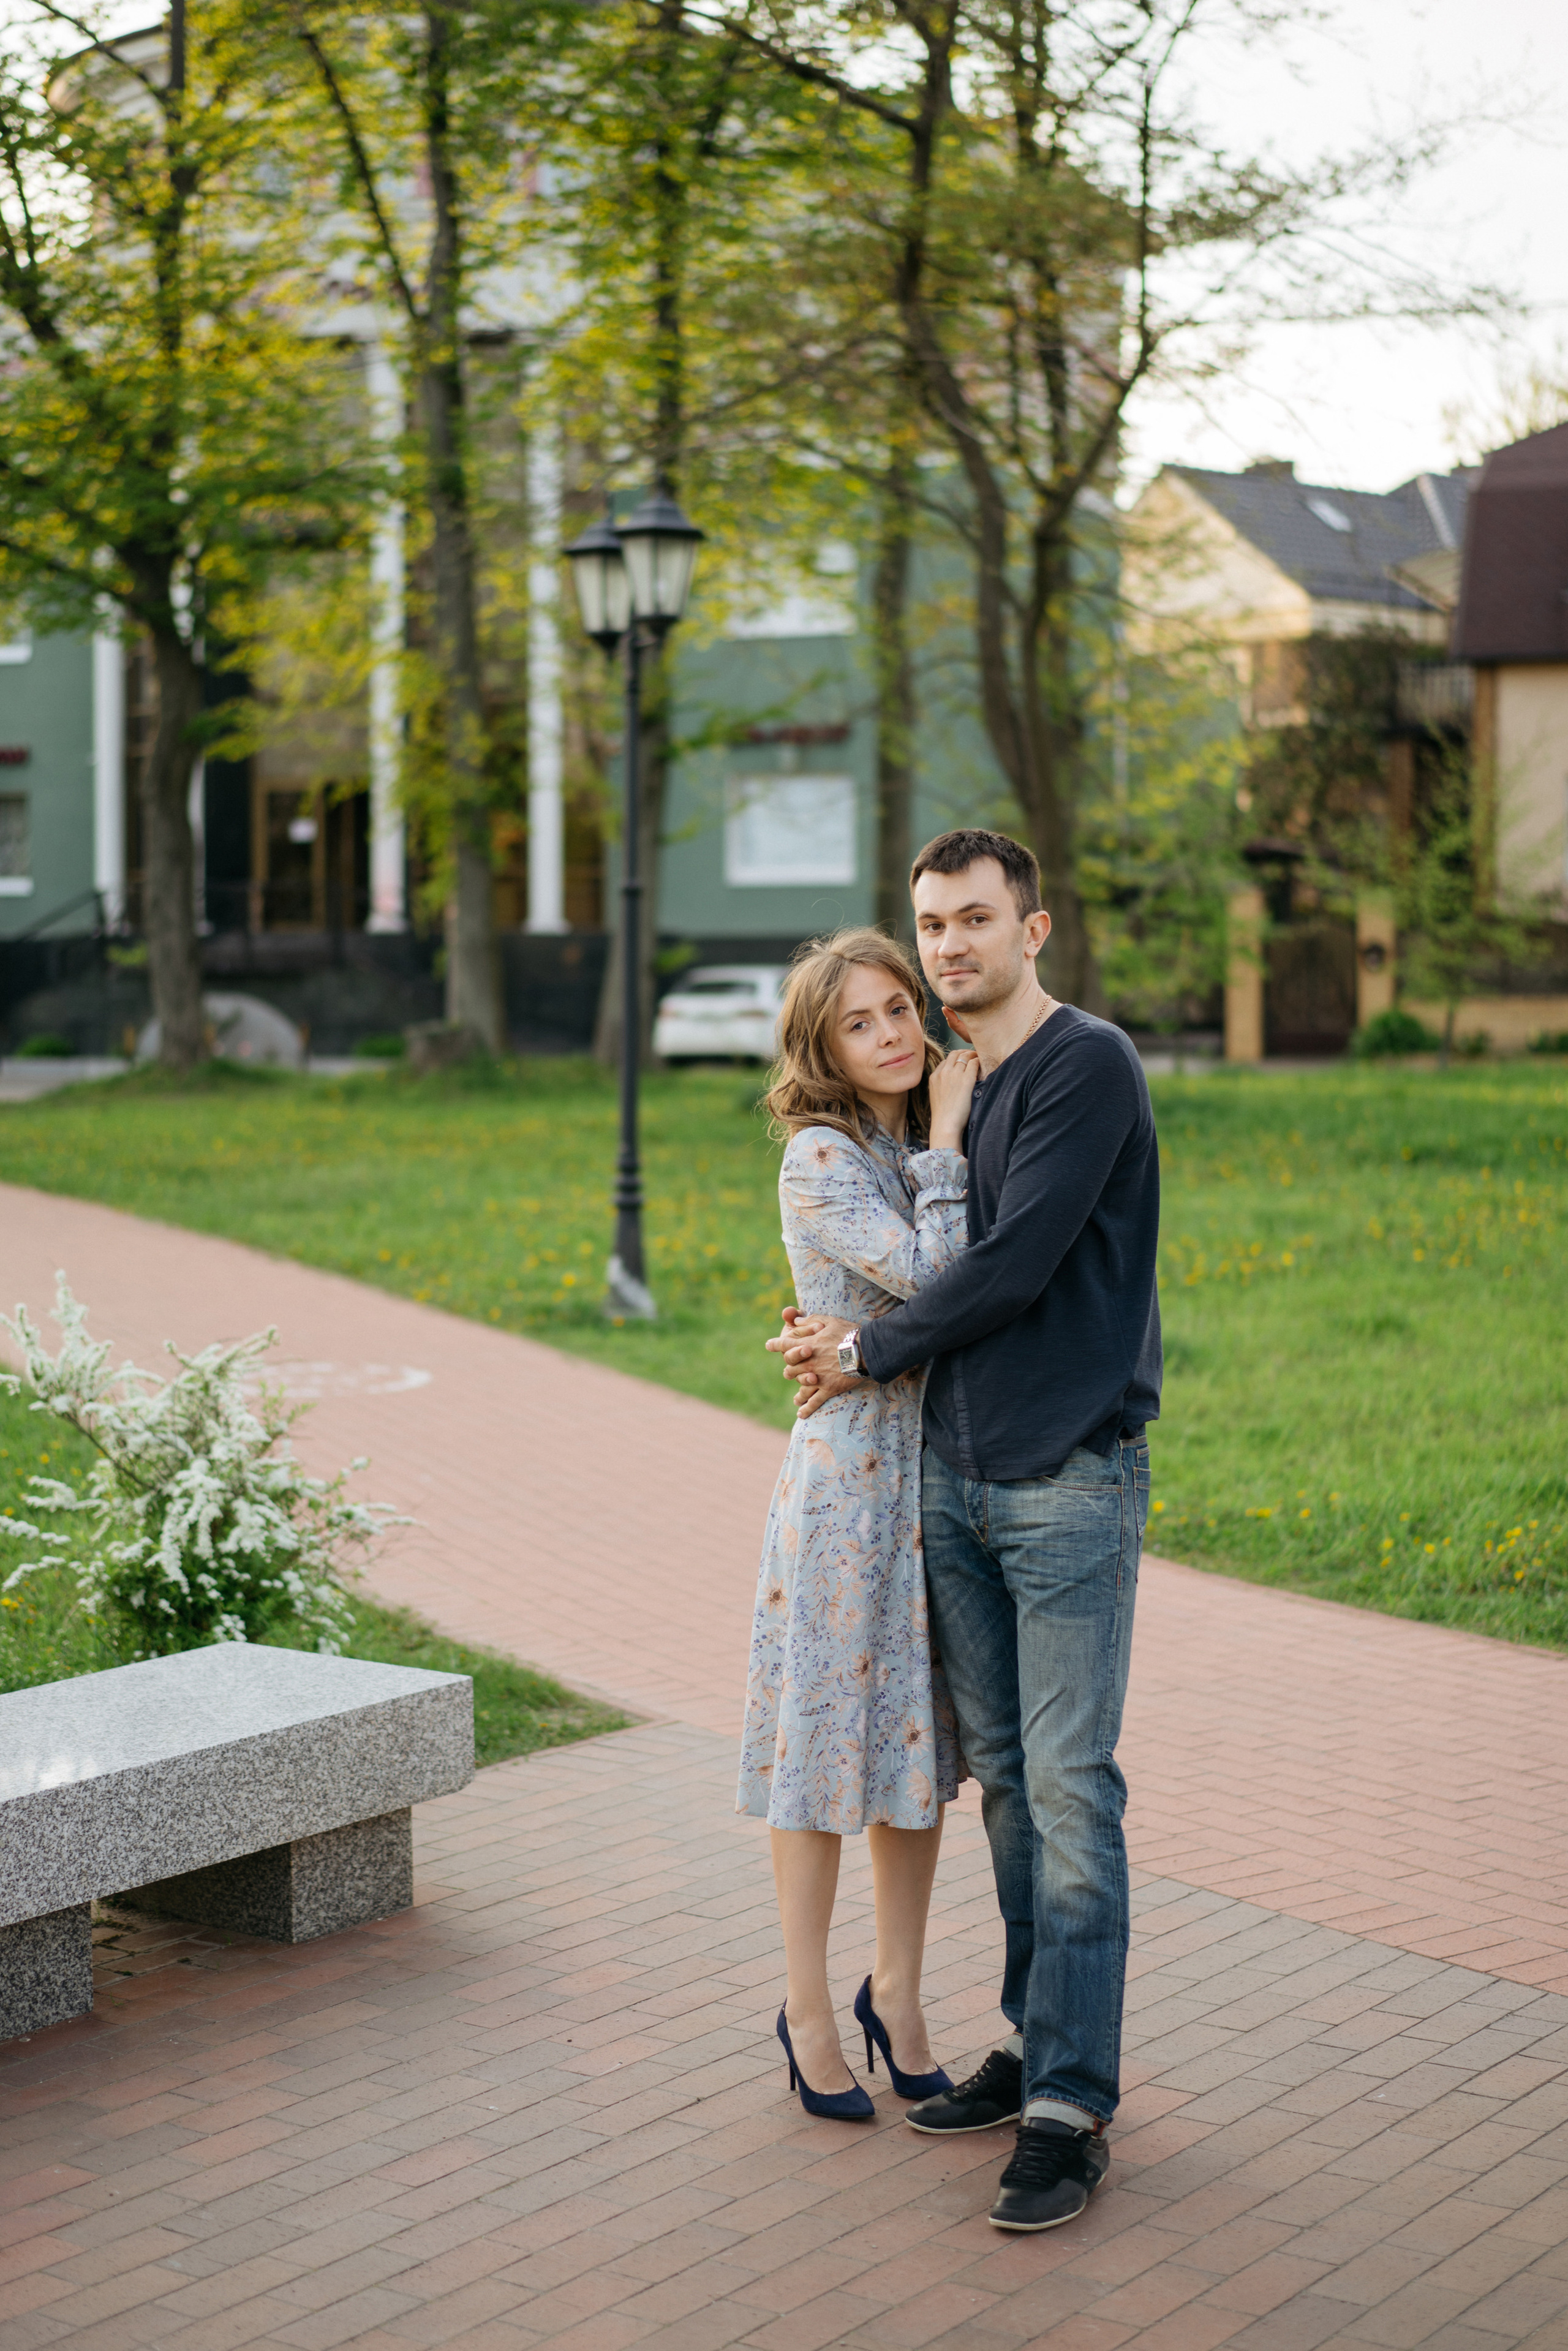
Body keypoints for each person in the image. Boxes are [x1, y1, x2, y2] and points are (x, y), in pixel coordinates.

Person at [772, 827, 1161, 2232]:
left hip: (1062, 1478)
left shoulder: (1081, 1066)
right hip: (951, 1482)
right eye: (930, 924)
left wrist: (863, 1351)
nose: (946, 948)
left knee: (1065, 1787)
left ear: (1032, 928)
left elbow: (1002, 1265)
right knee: (1001, 1781)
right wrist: (864, 1338)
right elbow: (890, 1232)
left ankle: (1067, 2102)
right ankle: (1027, 2036)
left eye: (973, 920)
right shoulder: (957, 1083)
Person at [739, 926, 981, 2121]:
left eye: (900, 1008)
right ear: (823, 1044)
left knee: (914, 1757)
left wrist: (937, 1145)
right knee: (822, 1744)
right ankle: (805, 2004)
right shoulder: (823, 1157)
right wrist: (945, 1145)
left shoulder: (908, 1138)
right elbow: (944, 1283)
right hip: (844, 1496)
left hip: (929, 1485)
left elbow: (979, 1284)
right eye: (862, 1021)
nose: (892, 1032)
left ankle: (900, 1989)